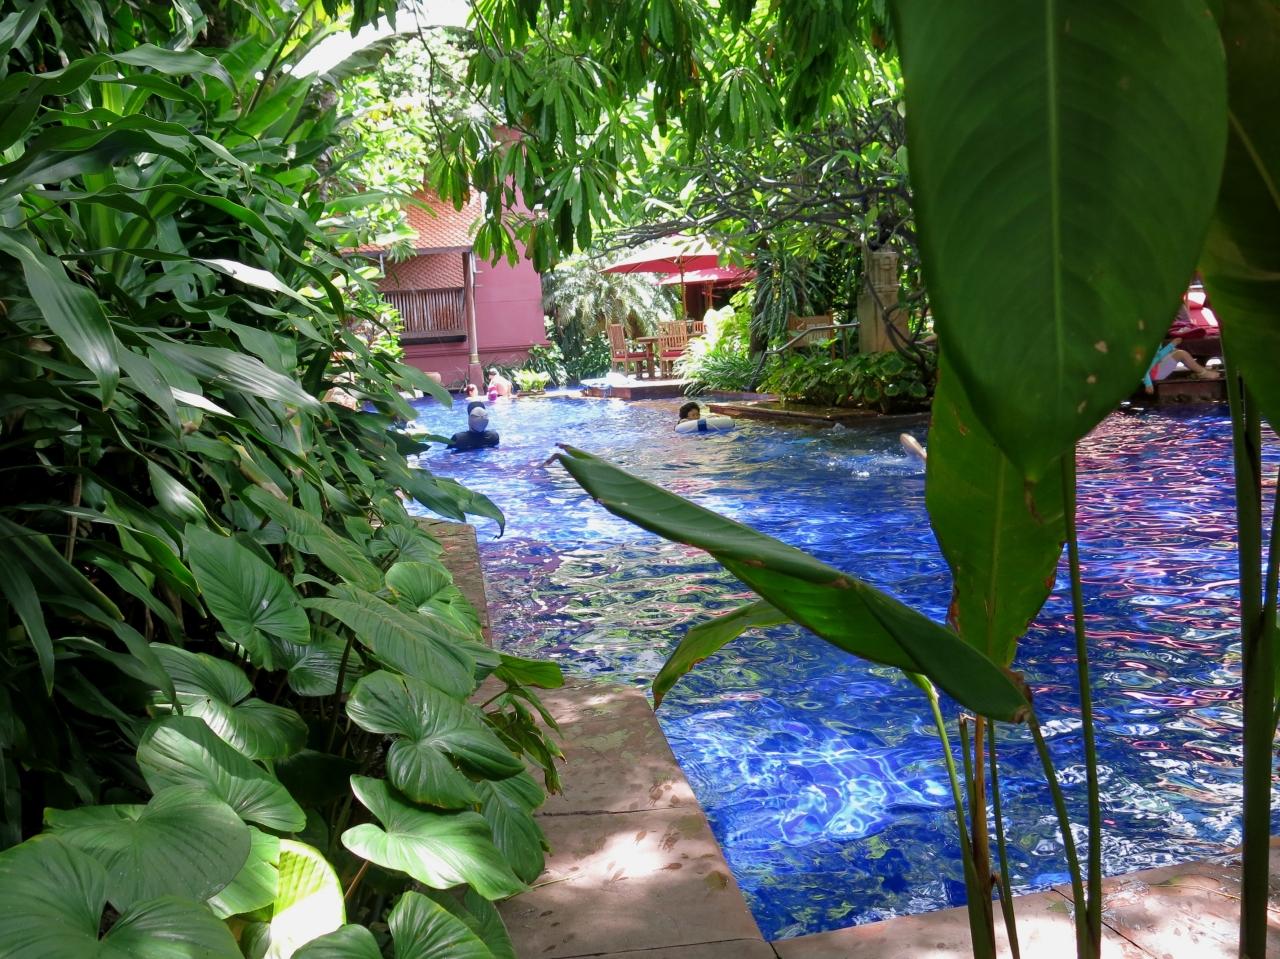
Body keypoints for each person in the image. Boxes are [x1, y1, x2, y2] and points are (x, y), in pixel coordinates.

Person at [1143, 337, 1220, 394]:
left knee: (1176, 351)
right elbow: (1144, 366)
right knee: (1181, 354)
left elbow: (1157, 356)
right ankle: (1203, 373)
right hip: (1153, 374)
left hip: (1153, 368)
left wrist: (1171, 346)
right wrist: (1148, 384)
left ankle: (1200, 370)